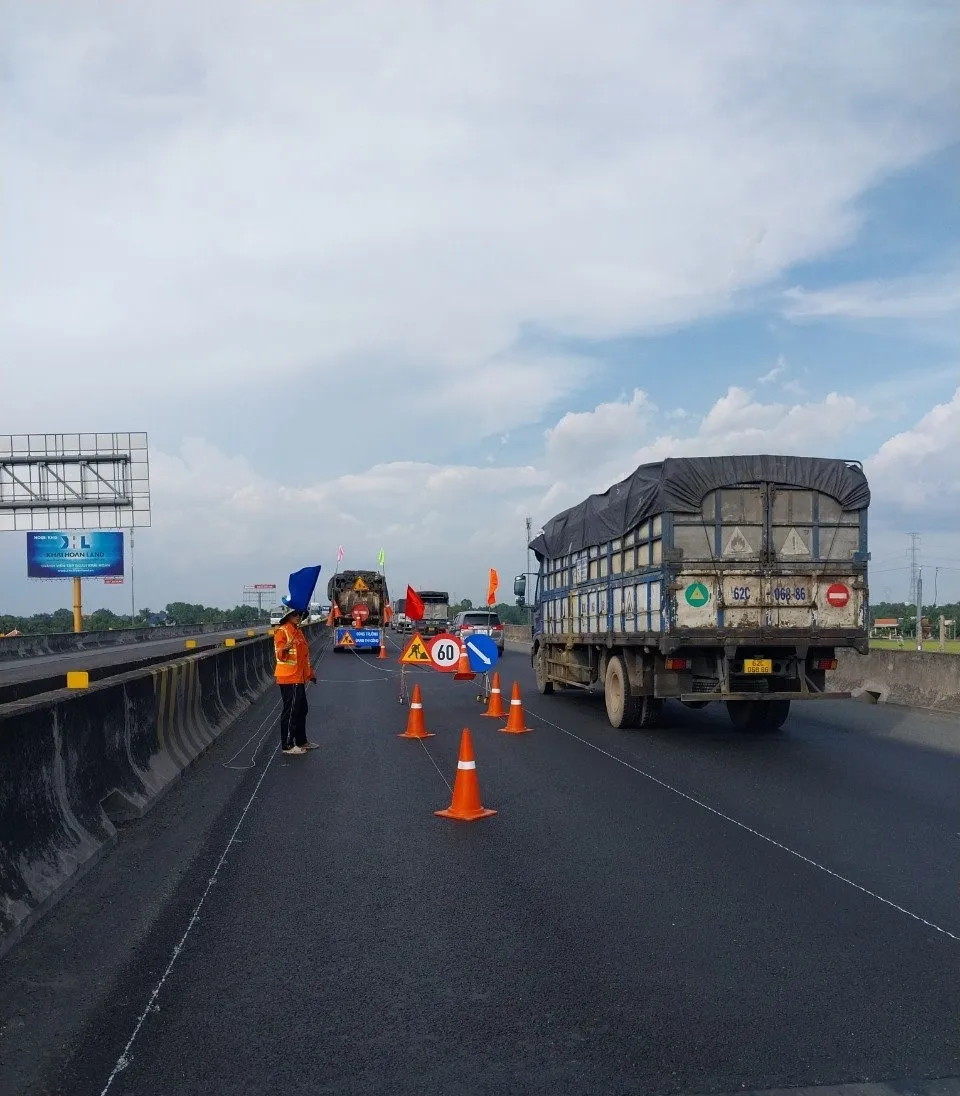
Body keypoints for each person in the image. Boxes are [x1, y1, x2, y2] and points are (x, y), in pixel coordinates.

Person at [274, 603, 318, 755]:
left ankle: (301, 741)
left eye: (300, 614)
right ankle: (287, 745)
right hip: (288, 677)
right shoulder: (282, 631)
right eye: (295, 614)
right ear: (288, 616)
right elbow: (279, 653)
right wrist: (284, 649)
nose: (298, 616)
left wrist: (310, 674)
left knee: (302, 709)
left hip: (299, 677)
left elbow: (304, 656)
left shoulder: (298, 632)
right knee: (291, 711)